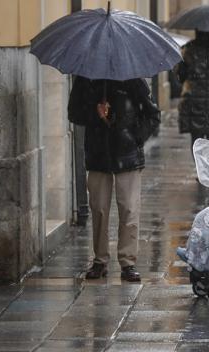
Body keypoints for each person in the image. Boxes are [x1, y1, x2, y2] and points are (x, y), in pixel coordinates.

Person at [68, 76, 160, 282]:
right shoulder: (85, 79)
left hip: (127, 156)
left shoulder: (133, 78)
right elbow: (73, 112)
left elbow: (152, 114)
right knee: (99, 208)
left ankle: (128, 262)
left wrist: (134, 136)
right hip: (98, 155)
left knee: (128, 208)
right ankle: (100, 260)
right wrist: (95, 113)